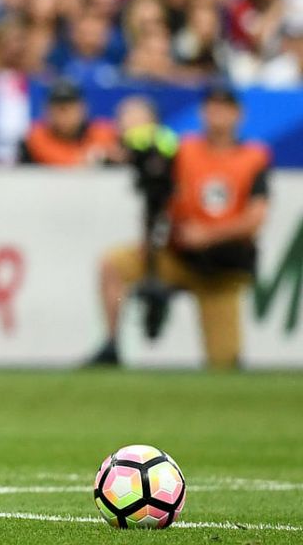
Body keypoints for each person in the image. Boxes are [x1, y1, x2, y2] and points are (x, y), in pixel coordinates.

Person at [89, 84, 271, 369]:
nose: (217, 114)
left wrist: (207, 235)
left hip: (222, 270)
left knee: (224, 364)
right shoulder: (182, 149)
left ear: (239, 115)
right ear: (202, 112)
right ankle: (112, 345)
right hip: (178, 256)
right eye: (212, 107)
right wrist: (131, 136)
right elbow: (146, 157)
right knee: (113, 264)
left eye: (225, 108)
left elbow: (256, 217)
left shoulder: (253, 157)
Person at [19, 81, 118, 166]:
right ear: (46, 111)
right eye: (58, 109)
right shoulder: (36, 137)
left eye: (70, 108)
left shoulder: (102, 132)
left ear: (83, 108)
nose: (64, 116)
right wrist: (88, 157)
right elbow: (61, 161)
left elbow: (111, 149)